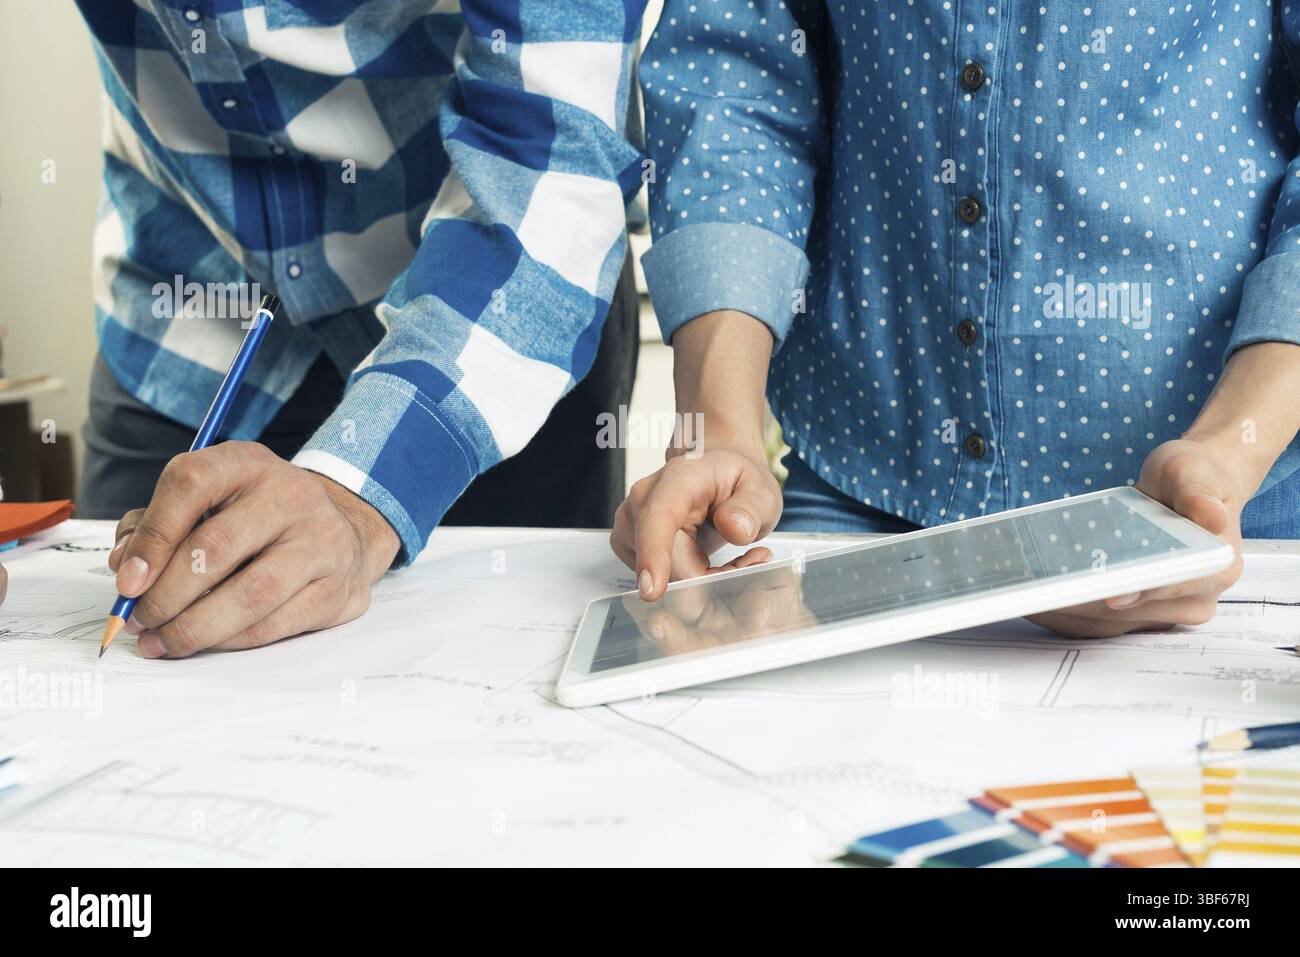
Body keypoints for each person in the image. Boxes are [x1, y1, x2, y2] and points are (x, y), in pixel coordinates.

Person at [613, 0, 1300, 638]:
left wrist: (1227, 455)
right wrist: (720, 429)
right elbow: (737, 70)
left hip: (1228, 507)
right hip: (862, 492)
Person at [73, 1, 648, 656]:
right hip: (183, 316)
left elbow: (552, 155)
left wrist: (355, 503)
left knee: (499, 690)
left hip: (489, 330)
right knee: (142, 673)